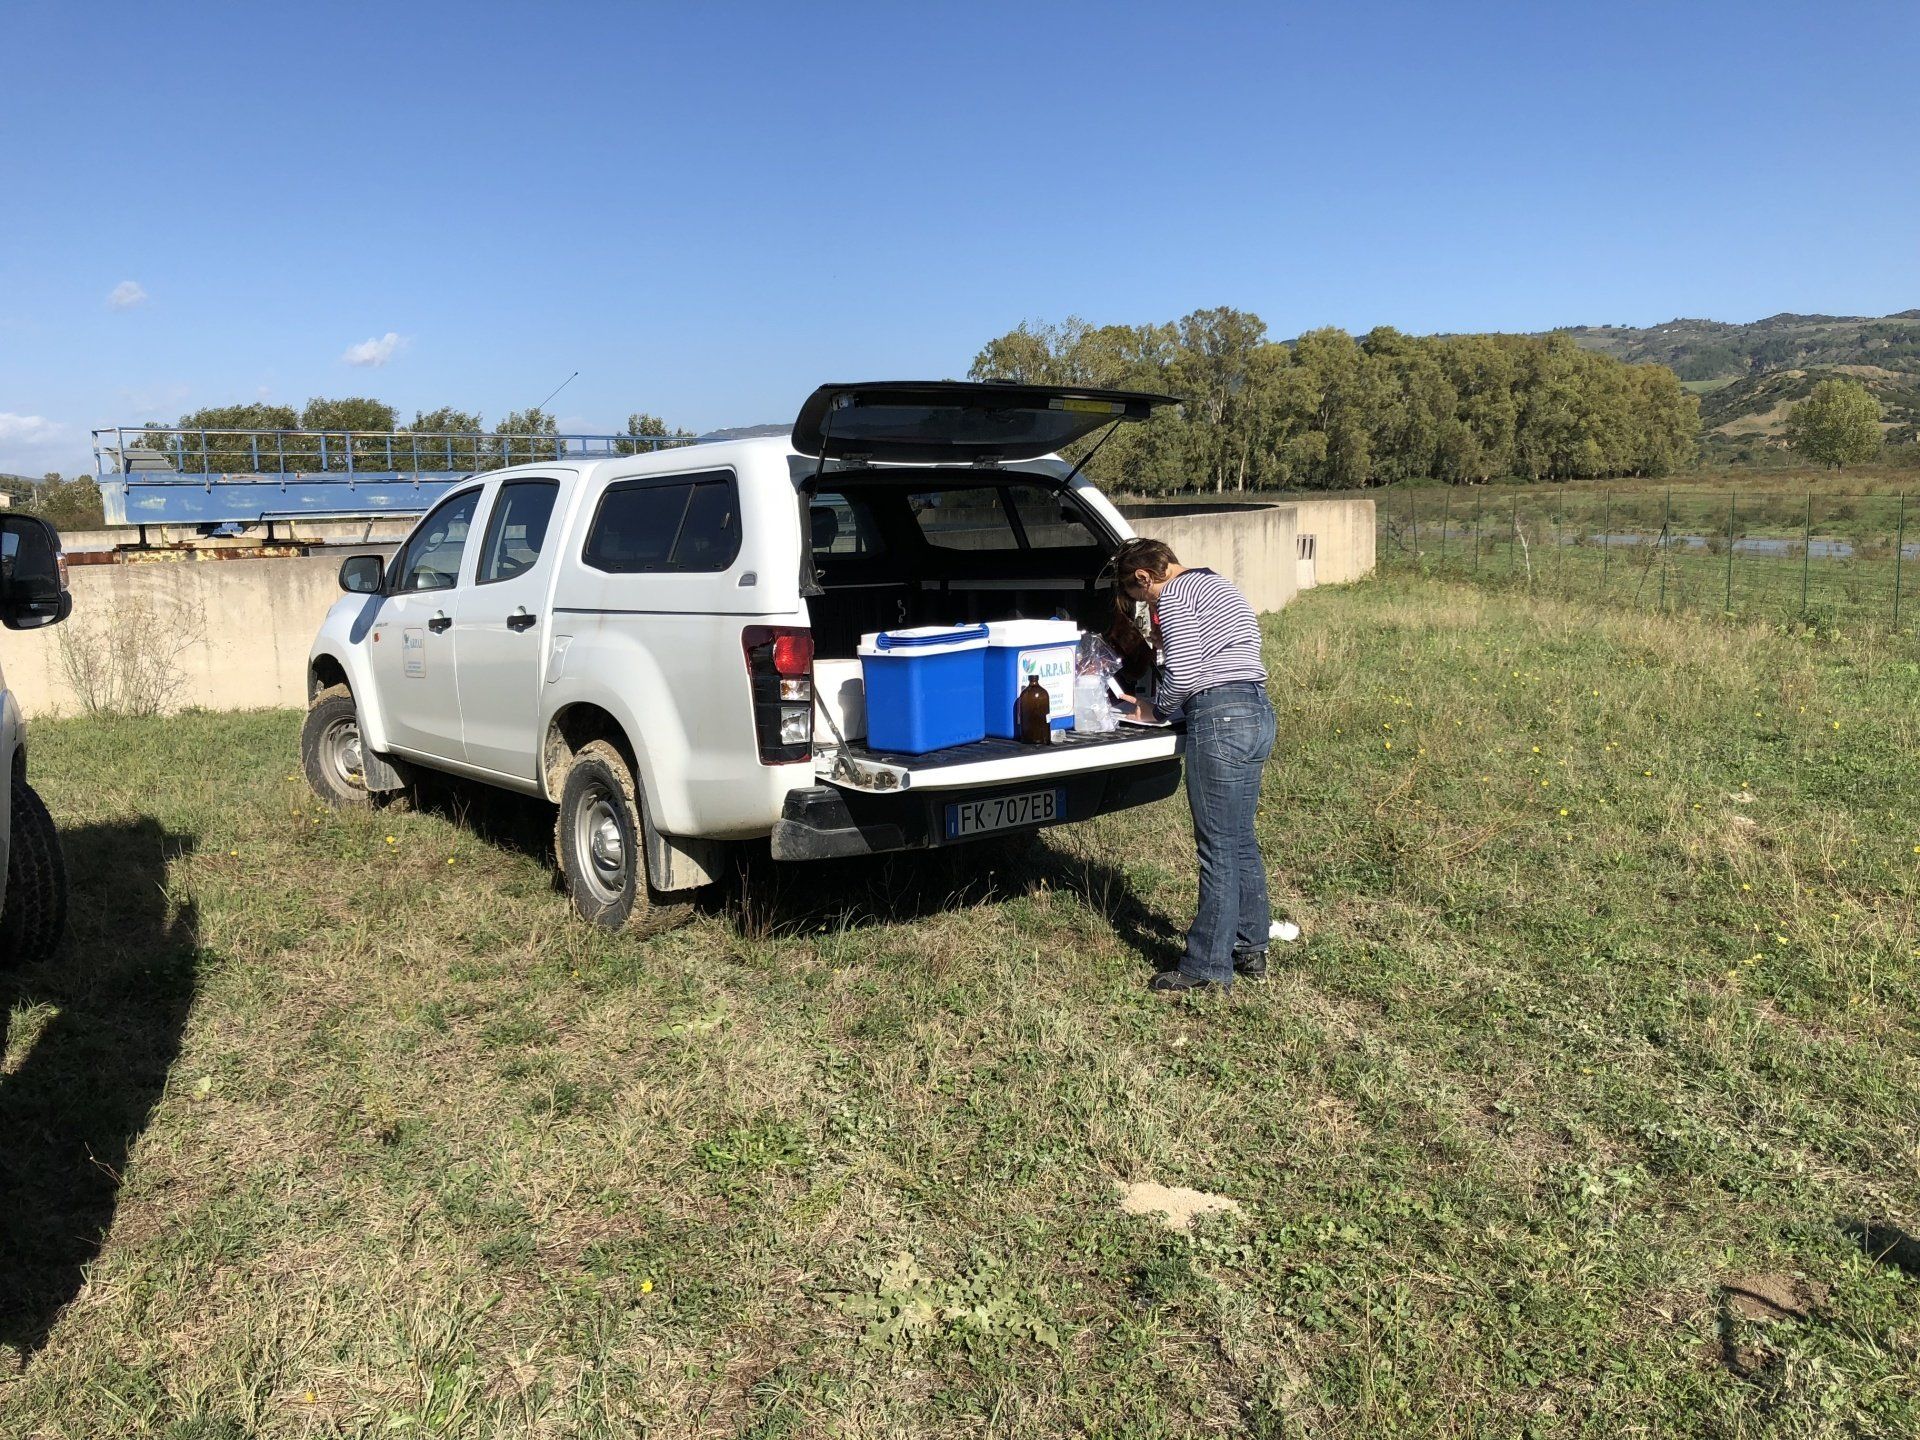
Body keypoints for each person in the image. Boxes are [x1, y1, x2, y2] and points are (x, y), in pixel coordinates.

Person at [1113, 538, 1275, 994]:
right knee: (1240, 838)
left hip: (1220, 719)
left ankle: (1206, 967)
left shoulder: (1176, 595)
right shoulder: (1221, 586)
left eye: (1136, 595)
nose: (1143, 605)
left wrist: (1153, 708)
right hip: (1256, 711)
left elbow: (1183, 671)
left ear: (1144, 577)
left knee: (1216, 848)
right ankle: (1249, 945)